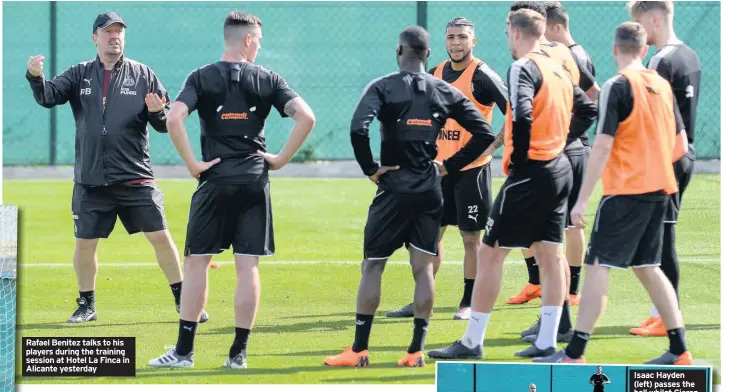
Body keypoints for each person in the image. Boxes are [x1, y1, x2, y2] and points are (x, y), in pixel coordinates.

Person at [147, 11, 316, 369]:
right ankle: (238, 355)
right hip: (255, 180)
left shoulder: (201, 76)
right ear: (249, 40)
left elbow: (174, 118)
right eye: (259, 41)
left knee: (196, 265)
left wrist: (192, 164)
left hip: (215, 180)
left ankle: (184, 353)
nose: (259, 47)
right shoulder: (269, 78)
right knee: (247, 267)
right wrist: (281, 159)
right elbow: (307, 117)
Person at [427, 8, 596, 361]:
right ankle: (549, 340)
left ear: (517, 33)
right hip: (559, 167)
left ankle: (472, 341)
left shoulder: (523, 67)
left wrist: (523, 159)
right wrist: (560, 142)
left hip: (532, 171)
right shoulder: (560, 60)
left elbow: (520, 111)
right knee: (552, 255)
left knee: (489, 253)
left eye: (507, 31)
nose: (506, 37)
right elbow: (589, 108)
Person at [324, 25, 495, 368]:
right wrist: (447, 166)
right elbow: (485, 133)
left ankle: (359, 350)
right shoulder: (443, 89)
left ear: (398, 51)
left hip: (393, 188)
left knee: (373, 265)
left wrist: (370, 168)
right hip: (430, 188)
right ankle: (415, 351)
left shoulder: (383, 86)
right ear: (429, 54)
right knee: (423, 270)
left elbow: (359, 128)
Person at [25, 12, 209, 325]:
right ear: (95, 37)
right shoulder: (79, 73)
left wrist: (157, 113)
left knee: (161, 238)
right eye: (108, 32)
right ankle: (87, 304)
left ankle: (184, 300)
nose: (115, 37)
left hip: (135, 177)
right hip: (91, 179)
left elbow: (163, 123)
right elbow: (48, 96)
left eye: (119, 32)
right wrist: (34, 76)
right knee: (85, 243)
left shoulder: (143, 74)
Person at [535, 22, 693, 366]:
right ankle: (680, 349)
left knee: (596, 268)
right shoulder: (661, 85)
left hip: (625, 192)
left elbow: (603, 145)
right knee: (649, 267)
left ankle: (575, 353)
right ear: (644, 50)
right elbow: (681, 145)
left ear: (614, 48)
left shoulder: (617, 86)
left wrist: (581, 200)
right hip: (660, 188)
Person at [385, 16, 508, 321]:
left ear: (473, 41)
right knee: (428, 237)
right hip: (437, 171)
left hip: (472, 171)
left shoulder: (483, 76)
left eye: (462, 37)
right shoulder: (436, 72)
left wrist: (492, 146)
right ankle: (420, 301)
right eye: (451, 37)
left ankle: (468, 301)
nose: (456, 42)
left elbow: (515, 112)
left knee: (470, 239)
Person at [498, 1, 598, 313]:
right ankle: (546, 294)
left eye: (509, 25)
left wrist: (560, 133)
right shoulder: (545, 56)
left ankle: (569, 295)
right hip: (554, 151)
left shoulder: (558, 54)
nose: (506, 31)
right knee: (544, 234)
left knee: (563, 230)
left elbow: (591, 97)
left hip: (561, 152)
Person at [628, 0, 701, 338]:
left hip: (667, 156)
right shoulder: (689, 55)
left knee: (663, 235)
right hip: (682, 153)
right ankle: (660, 310)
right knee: (658, 234)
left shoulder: (661, 60)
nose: (640, 31)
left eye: (641, 23)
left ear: (655, 19)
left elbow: (650, 113)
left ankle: (669, 318)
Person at [544, 0, 598, 304]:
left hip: (572, 147)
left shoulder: (571, 55)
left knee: (570, 222)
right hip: (573, 145)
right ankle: (562, 286)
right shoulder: (577, 52)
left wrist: (566, 134)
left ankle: (573, 288)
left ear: (556, 27)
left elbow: (591, 98)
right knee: (563, 221)